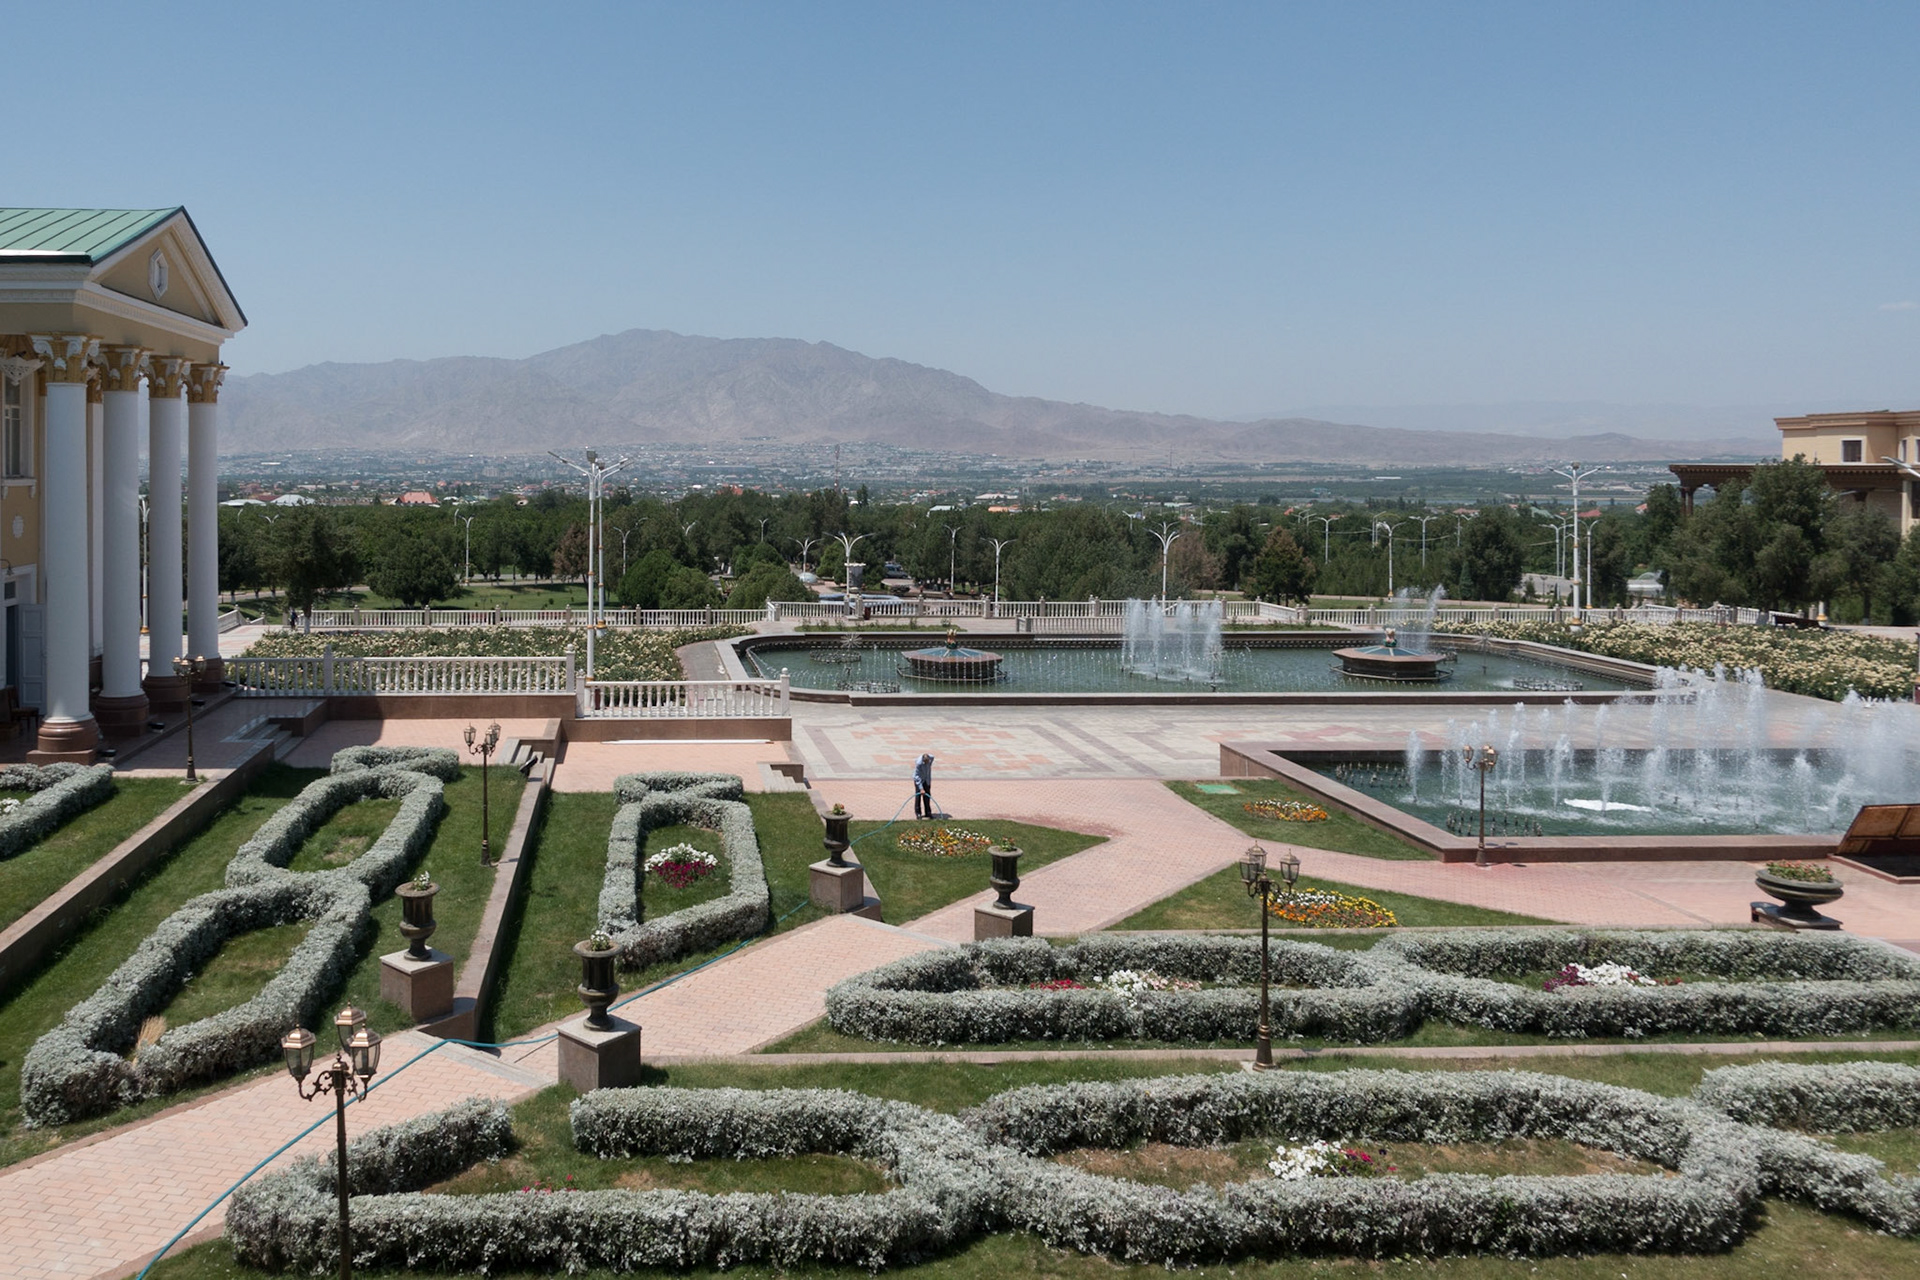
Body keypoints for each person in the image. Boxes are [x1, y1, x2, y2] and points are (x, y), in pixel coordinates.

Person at [913, 752, 935, 820]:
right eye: (925, 762)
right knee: (918, 796)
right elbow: (917, 776)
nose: (927, 763)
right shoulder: (919, 764)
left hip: (926, 780)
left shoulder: (930, 758)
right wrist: (921, 788)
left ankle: (928, 812)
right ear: (923, 760)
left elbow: (932, 756)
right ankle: (918, 813)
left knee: (927, 796)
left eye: (927, 762)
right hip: (919, 780)